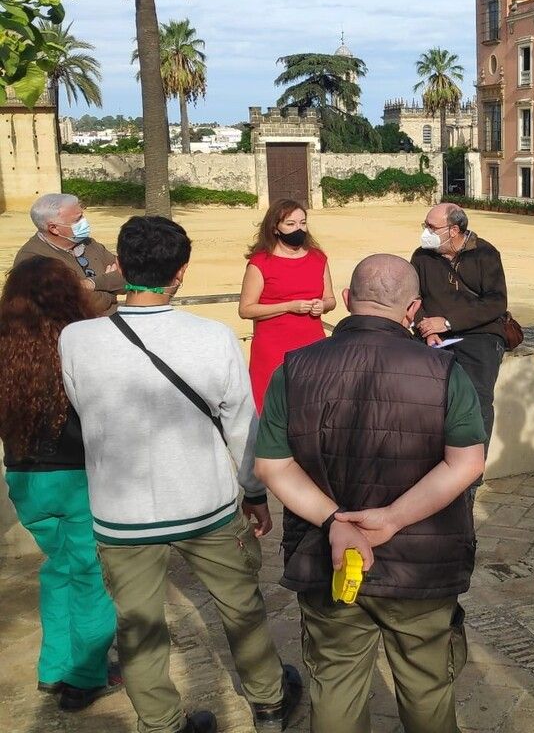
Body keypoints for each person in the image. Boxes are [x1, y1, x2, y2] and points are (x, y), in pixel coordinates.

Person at [59, 216, 302, 733]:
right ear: (182, 272)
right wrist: (255, 493)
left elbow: (85, 412)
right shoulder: (212, 338)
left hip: (121, 515)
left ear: (119, 268)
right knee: (241, 607)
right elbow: (243, 427)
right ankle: (268, 702)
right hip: (206, 505)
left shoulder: (76, 340)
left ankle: (161, 724)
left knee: (139, 627)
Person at [254, 254, 487, 733]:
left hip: (330, 558)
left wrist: (337, 521)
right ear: (413, 308)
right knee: (427, 686)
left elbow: (273, 467)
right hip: (422, 566)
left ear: (345, 300)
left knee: (335, 685)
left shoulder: (293, 369)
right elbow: (466, 463)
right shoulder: (444, 371)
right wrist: (394, 519)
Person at [0, 257, 119, 711]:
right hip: (76, 476)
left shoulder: (6, 348)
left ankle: (54, 668)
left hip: (25, 478)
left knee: (57, 570)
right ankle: (85, 676)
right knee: (88, 574)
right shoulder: (83, 343)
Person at [411, 202, 508, 454]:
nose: (426, 232)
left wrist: (447, 322)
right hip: (434, 338)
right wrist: (428, 329)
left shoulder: (486, 254)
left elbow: (496, 302)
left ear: (453, 230)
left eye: (432, 227)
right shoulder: (421, 256)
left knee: (477, 399)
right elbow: (414, 299)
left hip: (480, 335)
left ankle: (472, 473)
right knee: (428, 401)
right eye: (425, 225)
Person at [239, 199, 335, 412]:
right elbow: (246, 309)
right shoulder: (260, 263)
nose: (298, 229)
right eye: (290, 224)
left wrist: (323, 305)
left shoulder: (318, 258)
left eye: (302, 223)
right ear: (275, 228)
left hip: (313, 346)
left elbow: (331, 300)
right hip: (272, 349)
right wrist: (288, 306)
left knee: (312, 405)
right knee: (272, 407)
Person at [14, 193, 125, 315]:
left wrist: (91, 284)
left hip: (112, 323)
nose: (84, 222)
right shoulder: (33, 260)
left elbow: (129, 276)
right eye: (78, 219)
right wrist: (110, 293)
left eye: (82, 216)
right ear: (53, 228)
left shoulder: (89, 243)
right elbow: (75, 305)